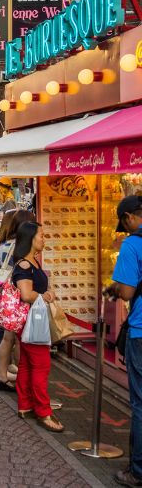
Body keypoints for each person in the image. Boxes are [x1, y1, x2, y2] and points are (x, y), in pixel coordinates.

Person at [8, 221, 61, 432]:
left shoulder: (32, 263)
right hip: (32, 323)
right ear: (30, 239)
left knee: (27, 365)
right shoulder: (24, 266)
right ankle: (43, 412)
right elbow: (26, 294)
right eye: (41, 235)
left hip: (31, 322)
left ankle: (25, 405)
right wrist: (45, 295)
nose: (43, 239)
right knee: (41, 366)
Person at [105, 196, 142, 487]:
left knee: (140, 403)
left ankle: (138, 471)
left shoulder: (132, 243)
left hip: (141, 332)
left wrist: (115, 287)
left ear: (130, 217)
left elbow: (128, 292)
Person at [0, 210, 36, 391]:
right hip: (15, 297)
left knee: (3, 334)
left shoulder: (3, 244)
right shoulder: (20, 248)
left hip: (4, 295)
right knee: (8, 336)